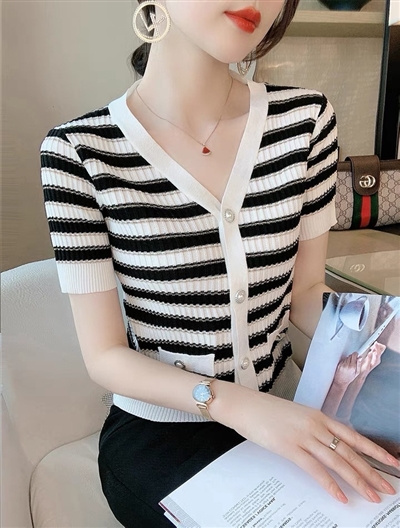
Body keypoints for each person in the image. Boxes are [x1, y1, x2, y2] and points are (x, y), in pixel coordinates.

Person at [39, 1, 399, 526]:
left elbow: (305, 295)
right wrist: (235, 405)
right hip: (162, 437)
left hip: (289, 412)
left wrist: (385, 333)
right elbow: (105, 356)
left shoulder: (306, 121)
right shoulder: (79, 151)